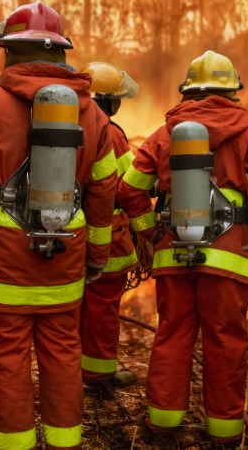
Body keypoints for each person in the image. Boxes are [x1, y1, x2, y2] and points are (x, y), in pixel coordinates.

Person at [0, 0, 117, 450]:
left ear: (9, 53)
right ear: (62, 55)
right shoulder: (95, 116)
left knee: (6, 358)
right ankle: (64, 442)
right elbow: (103, 193)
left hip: (3, 260)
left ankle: (13, 444)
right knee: (63, 353)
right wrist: (96, 257)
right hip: (66, 257)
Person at [117, 50, 248, 444]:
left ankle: (163, 425)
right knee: (225, 341)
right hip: (230, 257)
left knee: (173, 335)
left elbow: (128, 189)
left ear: (187, 92)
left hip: (173, 252)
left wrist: (150, 232)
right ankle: (225, 432)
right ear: (232, 92)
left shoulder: (166, 134)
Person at [77, 61, 141, 386]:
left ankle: (73, 369)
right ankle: (99, 374)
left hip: (71, 231)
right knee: (103, 305)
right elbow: (132, 185)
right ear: (106, 100)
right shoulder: (111, 133)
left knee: (77, 306)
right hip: (108, 232)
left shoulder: (69, 126)